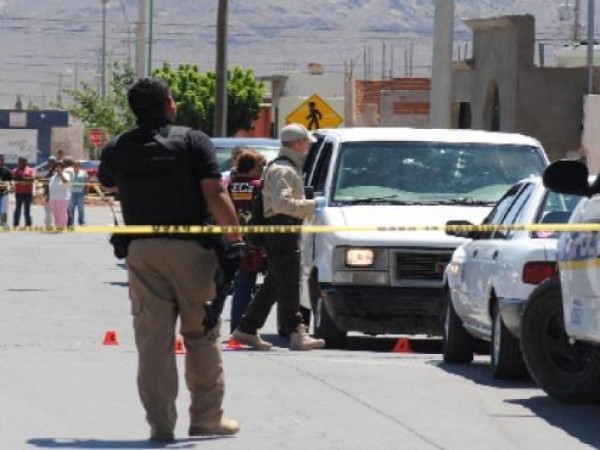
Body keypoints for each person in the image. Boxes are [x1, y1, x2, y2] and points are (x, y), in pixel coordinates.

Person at [98, 77, 243, 443]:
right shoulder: (193, 141)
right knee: (201, 335)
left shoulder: (119, 147)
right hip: (193, 250)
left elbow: (108, 184)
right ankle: (207, 419)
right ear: (168, 104)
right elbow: (215, 192)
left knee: (153, 342)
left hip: (142, 251)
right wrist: (235, 239)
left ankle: (161, 425)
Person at [232, 123, 327, 351]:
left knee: (275, 283)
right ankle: (296, 331)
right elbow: (282, 204)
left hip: (283, 232)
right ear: (298, 143)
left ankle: (247, 328)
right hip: (282, 232)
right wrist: (312, 205)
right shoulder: (284, 170)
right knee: (289, 283)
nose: (308, 147)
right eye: (306, 143)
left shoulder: (285, 167)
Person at [226, 149, 267, 334]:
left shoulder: (230, 186)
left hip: (233, 240)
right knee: (272, 285)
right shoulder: (258, 186)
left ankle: (236, 328)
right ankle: (244, 329)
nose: (261, 172)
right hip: (255, 241)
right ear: (252, 168)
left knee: (240, 287)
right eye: (260, 168)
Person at [11, 157, 35, 227]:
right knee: (17, 209)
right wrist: (23, 178)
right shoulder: (15, 170)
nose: (23, 163)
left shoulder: (30, 170)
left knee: (27, 209)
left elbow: (32, 178)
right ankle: (16, 223)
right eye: (21, 162)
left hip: (28, 193)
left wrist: (22, 178)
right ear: (19, 162)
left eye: (25, 162)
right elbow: (13, 178)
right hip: (19, 192)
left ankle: (28, 224)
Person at [48, 159, 72, 229]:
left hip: (63, 198)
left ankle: (62, 226)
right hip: (53, 198)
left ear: (63, 168)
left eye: (60, 167)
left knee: (62, 213)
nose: (58, 168)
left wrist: (61, 173)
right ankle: (58, 226)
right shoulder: (53, 176)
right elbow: (51, 187)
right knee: (55, 213)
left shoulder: (66, 175)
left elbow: (65, 182)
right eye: (57, 166)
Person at [68, 159, 88, 225]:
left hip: (80, 193)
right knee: (71, 208)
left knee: (80, 208)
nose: (75, 166)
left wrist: (86, 191)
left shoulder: (83, 173)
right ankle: (71, 222)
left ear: (80, 166)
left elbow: (86, 182)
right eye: (74, 165)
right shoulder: (70, 173)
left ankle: (81, 221)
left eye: (77, 165)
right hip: (72, 193)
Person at [42, 156, 58, 229]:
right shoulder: (49, 172)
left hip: (54, 194)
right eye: (50, 162)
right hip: (48, 194)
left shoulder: (56, 173)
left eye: (52, 162)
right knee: (48, 210)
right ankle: (48, 224)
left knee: (53, 210)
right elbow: (45, 184)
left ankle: (51, 224)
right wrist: (44, 194)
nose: (51, 164)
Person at [0, 154, 13, 228]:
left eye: (2, 160)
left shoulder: (7, 171)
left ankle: (4, 222)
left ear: (4, 161)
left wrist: (11, 189)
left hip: (4, 193)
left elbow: (11, 182)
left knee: (4, 209)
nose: (0, 161)